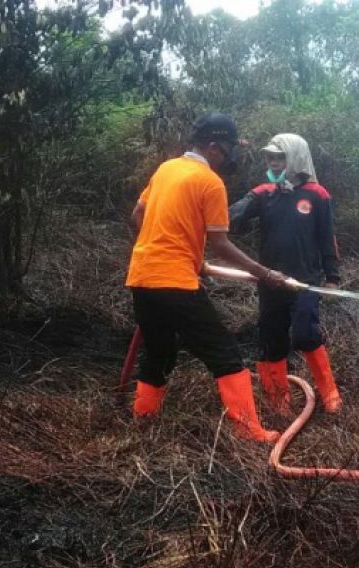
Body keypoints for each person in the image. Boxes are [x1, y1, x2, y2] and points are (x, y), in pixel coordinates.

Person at [125, 113, 293, 443]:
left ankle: (142, 420)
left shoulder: (166, 169)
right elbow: (221, 244)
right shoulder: (210, 182)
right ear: (214, 148)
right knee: (225, 354)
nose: (233, 155)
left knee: (159, 352)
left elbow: (137, 216)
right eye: (230, 147)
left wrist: (169, 248)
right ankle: (250, 432)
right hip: (175, 281)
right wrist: (264, 273)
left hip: (142, 275)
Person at [229, 133, 343, 415]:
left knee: (305, 333)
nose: (275, 163)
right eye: (270, 158)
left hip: (305, 281)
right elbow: (231, 215)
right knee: (271, 337)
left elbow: (327, 237)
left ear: (296, 158)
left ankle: (330, 395)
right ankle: (278, 400)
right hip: (270, 280)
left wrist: (332, 277)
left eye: (280, 157)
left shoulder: (317, 195)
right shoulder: (264, 193)